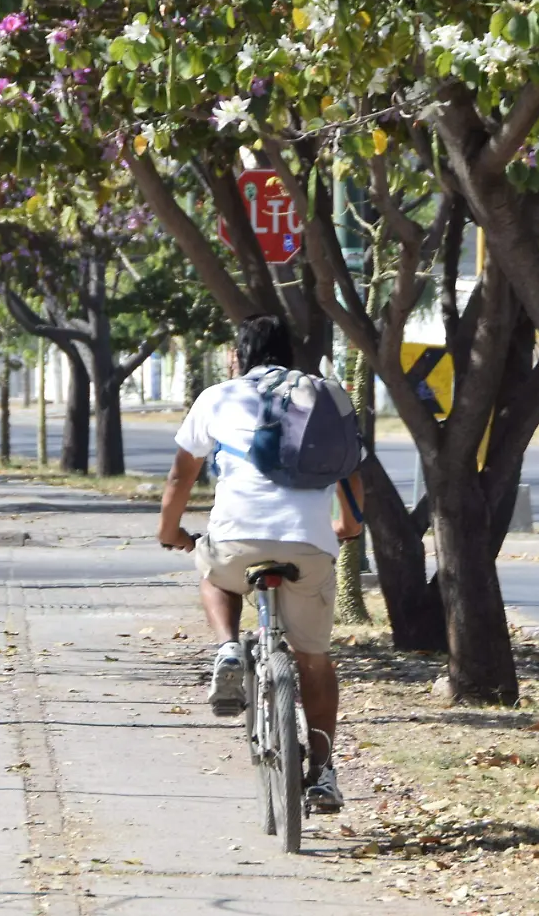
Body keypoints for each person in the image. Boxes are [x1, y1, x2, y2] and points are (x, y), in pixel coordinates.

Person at [156, 315, 364, 814]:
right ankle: (324, 772)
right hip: (310, 546)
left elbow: (179, 478)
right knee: (314, 660)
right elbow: (352, 475)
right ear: (288, 353)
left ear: (238, 356)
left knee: (211, 566)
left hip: (236, 539)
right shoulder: (324, 396)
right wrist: (349, 529)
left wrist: (172, 534)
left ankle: (228, 648)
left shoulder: (218, 397)